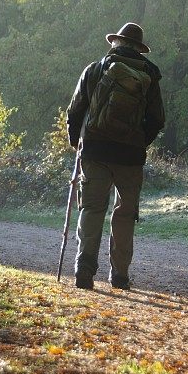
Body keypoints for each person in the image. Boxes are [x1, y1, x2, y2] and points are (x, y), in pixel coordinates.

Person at [66, 22, 165, 290]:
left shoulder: (95, 69)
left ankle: (84, 270)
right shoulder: (149, 75)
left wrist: (77, 142)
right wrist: (139, 142)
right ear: (139, 49)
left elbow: (75, 111)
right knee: (124, 214)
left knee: (92, 208)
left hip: (95, 150)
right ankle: (119, 275)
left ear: (116, 42)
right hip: (130, 157)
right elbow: (157, 119)